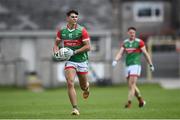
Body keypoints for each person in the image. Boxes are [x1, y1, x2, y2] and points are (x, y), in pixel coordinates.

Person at [53, 10, 91, 115]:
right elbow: (56, 44)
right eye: (73, 17)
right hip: (70, 61)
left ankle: (86, 88)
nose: (75, 19)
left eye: (76, 17)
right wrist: (56, 53)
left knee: (83, 86)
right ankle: (75, 108)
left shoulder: (82, 30)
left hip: (82, 60)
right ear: (67, 18)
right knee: (70, 82)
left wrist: (74, 51)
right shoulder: (62, 31)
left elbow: (88, 47)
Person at [112, 27, 154, 108]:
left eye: (133, 32)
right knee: (131, 86)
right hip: (127, 66)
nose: (132, 34)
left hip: (136, 65)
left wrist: (150, 64)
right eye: (130, 32)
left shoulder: (139, 42)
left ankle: (129, 103)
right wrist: (115, 60)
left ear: (135, 33)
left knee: (132, 84)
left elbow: (145, 53)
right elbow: (120, 53)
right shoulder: (125, 42)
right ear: (128, 33)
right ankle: (141, 101)